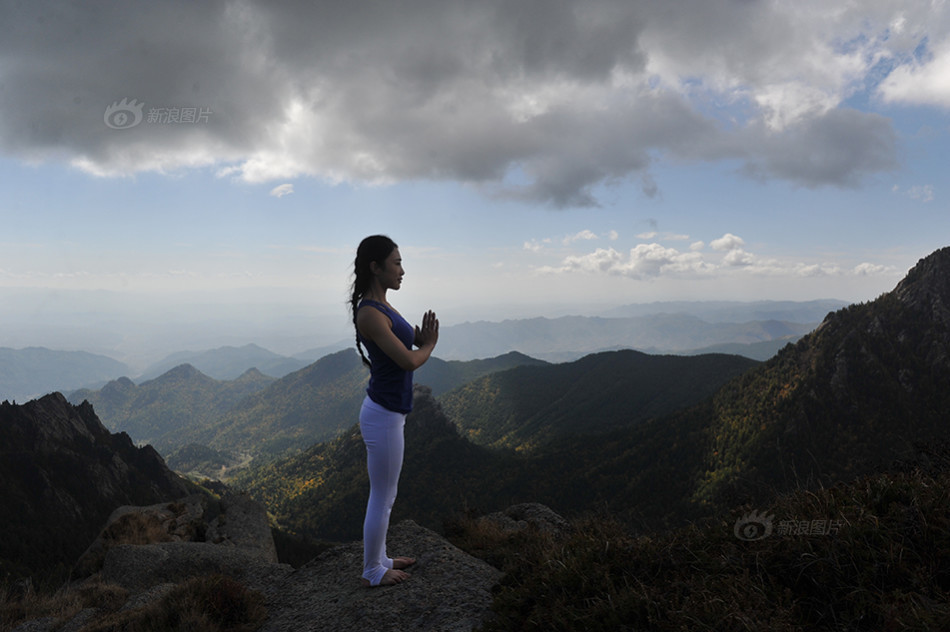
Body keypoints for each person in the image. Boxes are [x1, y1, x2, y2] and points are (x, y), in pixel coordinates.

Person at [349, 235, 439, 587]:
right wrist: (429, 344)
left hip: (389, 412)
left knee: (387, 494)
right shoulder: (370, 314)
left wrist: (423, 336)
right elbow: (409, 361)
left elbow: (409, 339)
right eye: (396, 263)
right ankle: (372, 570)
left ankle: (380, 557)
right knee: (382, 496)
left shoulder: (384, 306)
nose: (402, 270)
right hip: (383, 415)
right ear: (376, 267)